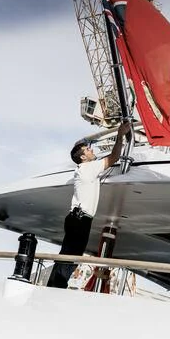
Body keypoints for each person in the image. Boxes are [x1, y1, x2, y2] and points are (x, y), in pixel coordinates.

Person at [47, 121, 131, 288]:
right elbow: (113, 158)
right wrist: (120, 134)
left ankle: (55, 286)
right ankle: (55, 288)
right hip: (80, 220)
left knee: (68, 255)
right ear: (83, 157)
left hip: (77, 219)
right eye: (88, 150)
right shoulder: (87, 168)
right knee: (72, 256)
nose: (92, 150)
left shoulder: (84, 169)